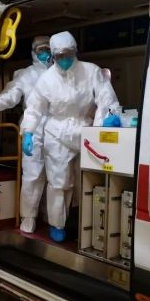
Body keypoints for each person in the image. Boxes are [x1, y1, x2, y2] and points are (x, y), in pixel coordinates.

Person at [21, 31, 119, 243]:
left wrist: (109, 117)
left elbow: (107, 97)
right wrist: (28, 132)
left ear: (75, 51)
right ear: (54, 56)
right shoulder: (47, 79)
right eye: (60, 56)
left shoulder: (91, 71)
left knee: (89, 180)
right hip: (57, 133)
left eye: (68, 54)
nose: (64, 59)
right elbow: (34, 108)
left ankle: (90, 223)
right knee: (59, 182)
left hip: (86, 130)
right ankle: (57, 224)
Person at [0, 36, 52, 233]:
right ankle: (28, 217)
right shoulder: (26, 75)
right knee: (33, 175)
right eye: (40, 50)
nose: (45, 54)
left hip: (57, 130)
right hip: (34, 129)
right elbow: (11, 96)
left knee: (57, 177)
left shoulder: (61, 73)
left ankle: (52, 219)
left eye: (47, 49)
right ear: (33, 52)